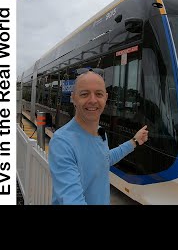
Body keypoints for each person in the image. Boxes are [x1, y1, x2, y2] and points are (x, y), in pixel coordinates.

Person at [48, 69, 149, 205]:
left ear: (106, 98)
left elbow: (104, 159)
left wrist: (134, 141)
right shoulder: (62, 142)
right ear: (73, 98)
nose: (93, 100)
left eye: (99, 94)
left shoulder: (100, 131)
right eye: (84, 94)